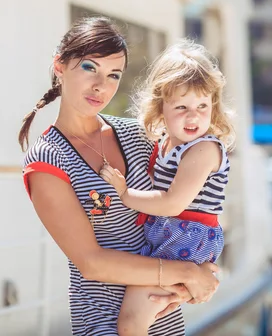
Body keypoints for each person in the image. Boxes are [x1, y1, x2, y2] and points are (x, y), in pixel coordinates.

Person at [19, 18, 220, 336]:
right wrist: (185, 272)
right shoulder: (47, 160)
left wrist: (201, 272)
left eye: (113, 75)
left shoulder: (137, 135)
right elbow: (91, 262)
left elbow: (190, 206)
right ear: (60, 66)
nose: (102, 86)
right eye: (89, 68)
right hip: (105, 323)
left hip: (164, 321)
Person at [100, 39, 235, 335]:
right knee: (144, 313)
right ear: (161, 107)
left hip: (186, 237)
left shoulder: (203, 150)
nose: (193, 116)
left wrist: (124, 194)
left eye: (203, 105)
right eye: (181, 106)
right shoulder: (167, 142)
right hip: (171, 235)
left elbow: (174, 203)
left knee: (132, 321)